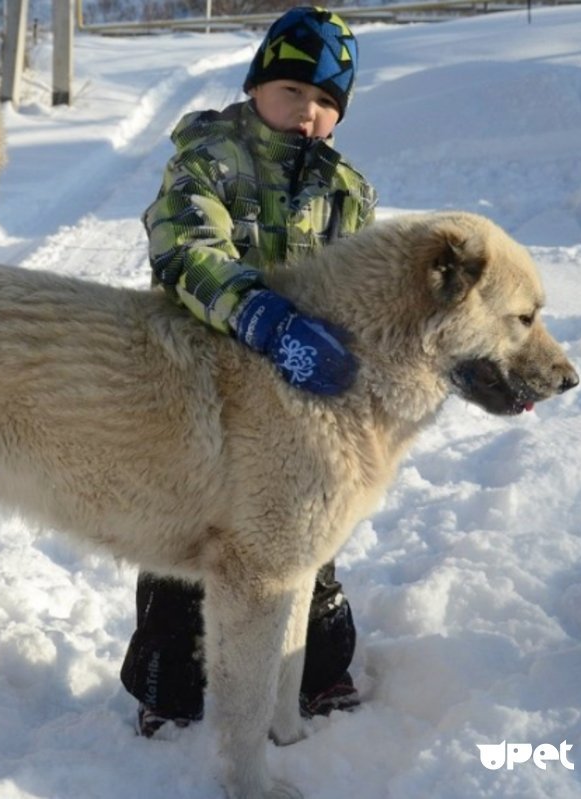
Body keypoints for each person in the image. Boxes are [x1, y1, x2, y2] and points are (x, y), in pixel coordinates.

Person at [119, 6, 377, 737]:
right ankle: (168, 685)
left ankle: (316, 668)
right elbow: (183, 248)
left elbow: (354, 285)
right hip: (195, 382)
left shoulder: (346, 190)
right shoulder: (209, 155)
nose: (309, 113)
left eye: (328, 102)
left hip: (293, 400)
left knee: (306, 547)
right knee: (187, 536)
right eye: (294, 90)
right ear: (259, 82)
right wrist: (264, 316)